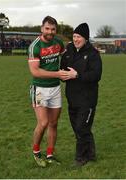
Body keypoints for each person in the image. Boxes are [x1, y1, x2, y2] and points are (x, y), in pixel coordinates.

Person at [28, 16, 68, 168]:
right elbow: (35, 72)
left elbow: (66, 57)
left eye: (53, 29)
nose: (50, 32)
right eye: (47, 28)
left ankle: (50, 154)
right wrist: (58, 74)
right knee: (43, 122)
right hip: (39, 90)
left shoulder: (58, 43)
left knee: (53, 123)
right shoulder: (35, 46)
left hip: (55, 89)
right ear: (41, 28)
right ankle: (36, 152)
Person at [60, 23, 102, 166]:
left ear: (85, 38)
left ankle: (80, 158)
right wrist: (63, 75)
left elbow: (96, 75)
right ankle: (90, 154)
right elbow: (63, 68)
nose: (76, 39)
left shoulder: (93, 54)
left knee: (81, 128)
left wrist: (77, 75)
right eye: (74, 36)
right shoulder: (69, 50)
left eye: (79, 37)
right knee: (80, 129)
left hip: (87, 99)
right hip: (72, 98)